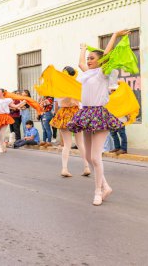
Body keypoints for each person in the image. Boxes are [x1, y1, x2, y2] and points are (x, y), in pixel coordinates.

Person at [67, 29, 130, 206]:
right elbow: (80, 63)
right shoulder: (87, 73)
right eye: (89, 58)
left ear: (100, 61)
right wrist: (82, 49)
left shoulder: (103, 73)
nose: (88, 60)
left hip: (99, 114)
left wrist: (115, 35)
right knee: (87, 156)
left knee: (95, 157)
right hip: (85, 114)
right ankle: (106, 186)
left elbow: (107, 54)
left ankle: (98, 191)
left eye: (92, 58)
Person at [49, 66, 91, 177]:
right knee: (80, 143)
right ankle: (86, 167)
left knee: (67, 144)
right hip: (75, 112)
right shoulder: (76, 85)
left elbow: (57, 103)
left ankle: (64, 168)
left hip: (63, 113)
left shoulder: (59, 87)